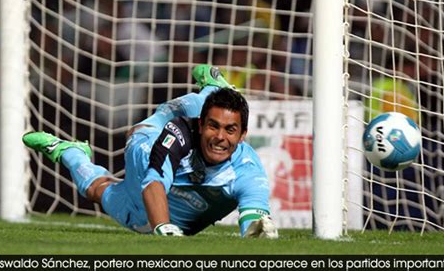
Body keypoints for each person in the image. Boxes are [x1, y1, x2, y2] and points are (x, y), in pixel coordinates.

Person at [22, 65, 278, 238]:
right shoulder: (180, 133)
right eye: (212, 127)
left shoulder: (248, 172)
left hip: (156, 209)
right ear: (201, 126)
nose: (221, 138)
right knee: (141, 132)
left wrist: (258, 232)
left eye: (231, 131)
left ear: (243, 136)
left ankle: (69, 152)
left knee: (95, 190)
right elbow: (154, 179)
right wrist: (163, 227)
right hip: (148, 157)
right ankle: (214, 88)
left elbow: (254, 218)